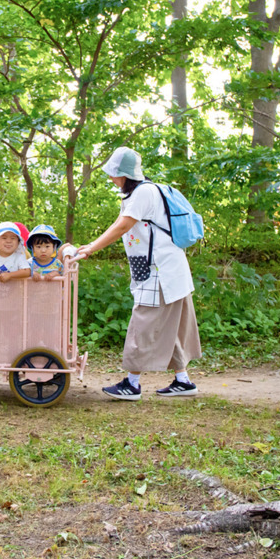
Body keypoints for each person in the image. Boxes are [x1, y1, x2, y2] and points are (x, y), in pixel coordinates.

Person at [76, 147, 201, 400]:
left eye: (114, 174)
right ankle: (183, 380)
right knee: (172, 326)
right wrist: (91, 245)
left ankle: (132, 384)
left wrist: (92, 248)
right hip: (164, 268)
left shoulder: (144, 192)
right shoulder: (137, 194)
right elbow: (119, 221)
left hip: (160, 270)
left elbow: (123, 226)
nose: (112, 179)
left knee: (142, 323)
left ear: (124, 174)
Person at [0, 222, 32, 343]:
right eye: (4, 238)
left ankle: (10, 350)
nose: (8, 241)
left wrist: (10, 275)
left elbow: (27, 271)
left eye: (13, 238)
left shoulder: (19, 257)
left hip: (12, 304)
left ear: (18, 242)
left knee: (11, 329)